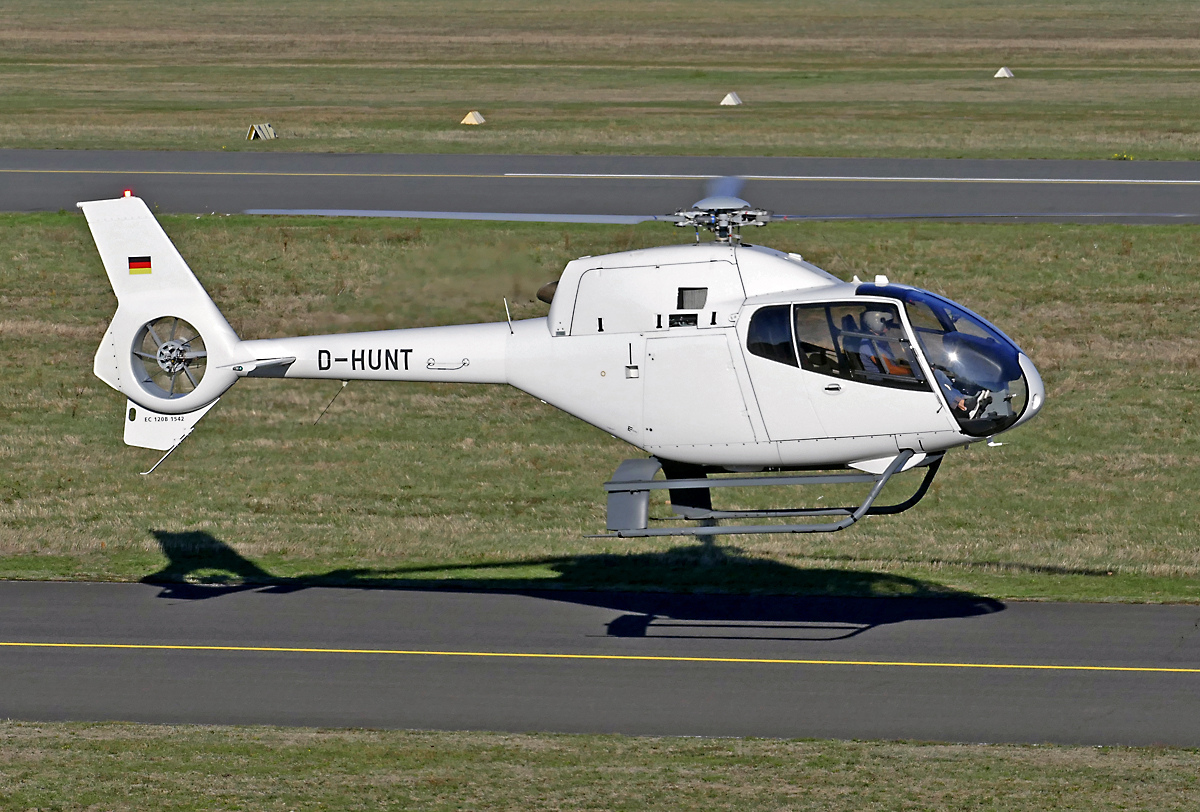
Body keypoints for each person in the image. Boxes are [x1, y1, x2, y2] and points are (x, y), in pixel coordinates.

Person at [858, 309, 914, 377]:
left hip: (890, 378)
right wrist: (914, 372)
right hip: (881, 381)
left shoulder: (878, 339)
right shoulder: (869, 344)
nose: (889, 327)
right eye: (887, 324)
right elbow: (890, 369)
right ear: (877, 323)